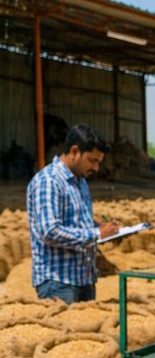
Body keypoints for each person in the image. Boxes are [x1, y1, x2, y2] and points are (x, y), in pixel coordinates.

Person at [26, 124, 118, 303]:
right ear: (74, 151)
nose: (96, 168)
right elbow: (50, 231)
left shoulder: (80, 181)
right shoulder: (49, 181)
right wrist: (97, 233)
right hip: (58, 282)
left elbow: (77, 221)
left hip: (84, 279)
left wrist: (101, 227)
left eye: (98, 162)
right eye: (92, 160)